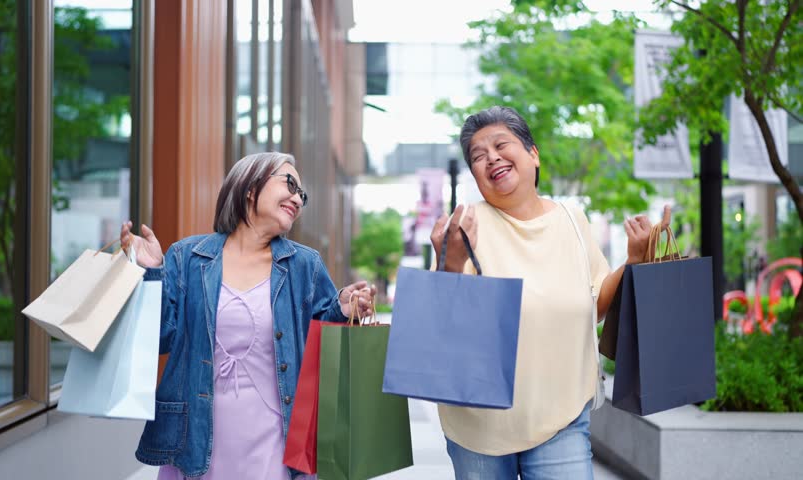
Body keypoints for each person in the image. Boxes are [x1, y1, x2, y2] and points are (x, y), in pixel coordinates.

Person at [430, 106, 671, 480]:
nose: (491, 158)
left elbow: (596, 306)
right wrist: (449, 263)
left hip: (562, 416)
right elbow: (442, 324)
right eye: (478, 156)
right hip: (479, 428)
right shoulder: (467, 226)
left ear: (533, 154)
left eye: (501, 145)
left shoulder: (571, 220)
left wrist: (634, 259)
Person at [122, 152, 375, 479]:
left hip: (275, 440)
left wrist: (343, 308)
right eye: (290, 183)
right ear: (250, 188)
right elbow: (160, 337)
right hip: (197, 440)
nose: (298, 197)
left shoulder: (303, 265)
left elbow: (323, 349)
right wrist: (152, 272)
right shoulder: (188, 257)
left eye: (302, 194)